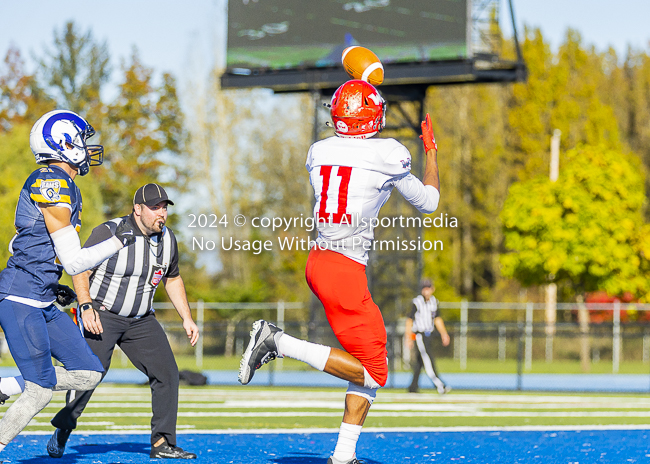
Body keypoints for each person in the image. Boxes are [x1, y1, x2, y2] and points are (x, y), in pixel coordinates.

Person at [239, 80, 441, 464]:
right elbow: (429, 202)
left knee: (369, 357)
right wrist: (430, 152)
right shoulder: (389, 154)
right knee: (375, 372)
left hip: (320, 260)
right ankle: (277, 342)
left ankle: (343, 456)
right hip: (344, 269)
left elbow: (351, 152)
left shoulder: (319, 151)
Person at [0, 110, 136, 454]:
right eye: (82, 139)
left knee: (89, 373)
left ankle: (4, 385)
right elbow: (76, 260)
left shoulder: (67, 186)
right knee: (40, 390)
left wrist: (52, 279)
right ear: (63, 143)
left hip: (42, 297)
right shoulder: (51, 182)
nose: (88, 147)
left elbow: (42, 249)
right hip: (21, 298)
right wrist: (121, 238)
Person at [46, 183, 200, 459]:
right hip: (102, 315)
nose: (161, 213)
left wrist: (187, 318)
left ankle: (162, 442)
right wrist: (86, 306)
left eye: (164, 207)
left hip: (141, 320)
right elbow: (80, 267)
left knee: (167, 374)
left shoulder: (168, 239)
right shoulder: (109, 231)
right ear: (137, 209)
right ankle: (63, 429)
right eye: (154, 208)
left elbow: (172, 278)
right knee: (89, 375)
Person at [405, 279, 451, 394]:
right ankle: (440, 385)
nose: (426, 291)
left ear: (432, 289)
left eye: (428, 288)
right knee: (428, 359)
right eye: (424, 288)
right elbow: (409, 320)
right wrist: (409, 337)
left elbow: (437, 319)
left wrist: (444, 334)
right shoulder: (417, 302)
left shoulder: (434, 302)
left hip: (428, 335)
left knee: (420, 362)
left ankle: (413, 387)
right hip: (419, 335)